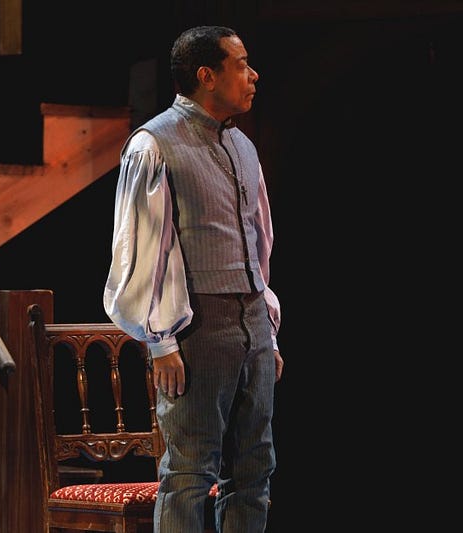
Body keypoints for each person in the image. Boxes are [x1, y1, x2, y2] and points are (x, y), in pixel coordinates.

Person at [103, 25, 283, 533]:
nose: (253, 75)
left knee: (254, 471)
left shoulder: (243, 146)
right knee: (189, 472)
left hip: (250, 323)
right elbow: (140, 250)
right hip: (197, 326)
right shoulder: (154, 144)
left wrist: (266, 331)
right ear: (207, 75)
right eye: (241, 64)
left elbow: (257, 243)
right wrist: (161, 341)